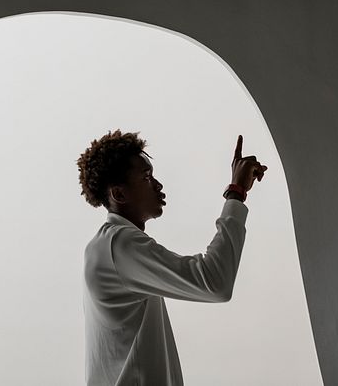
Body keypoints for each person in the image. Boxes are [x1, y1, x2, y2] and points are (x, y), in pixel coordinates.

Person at [78, 129, 267, 385]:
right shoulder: (119, 244)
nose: (158, 185)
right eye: (146, 177)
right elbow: (215, 282)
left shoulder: (107, 245)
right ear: (119, 195)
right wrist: (236, 192)